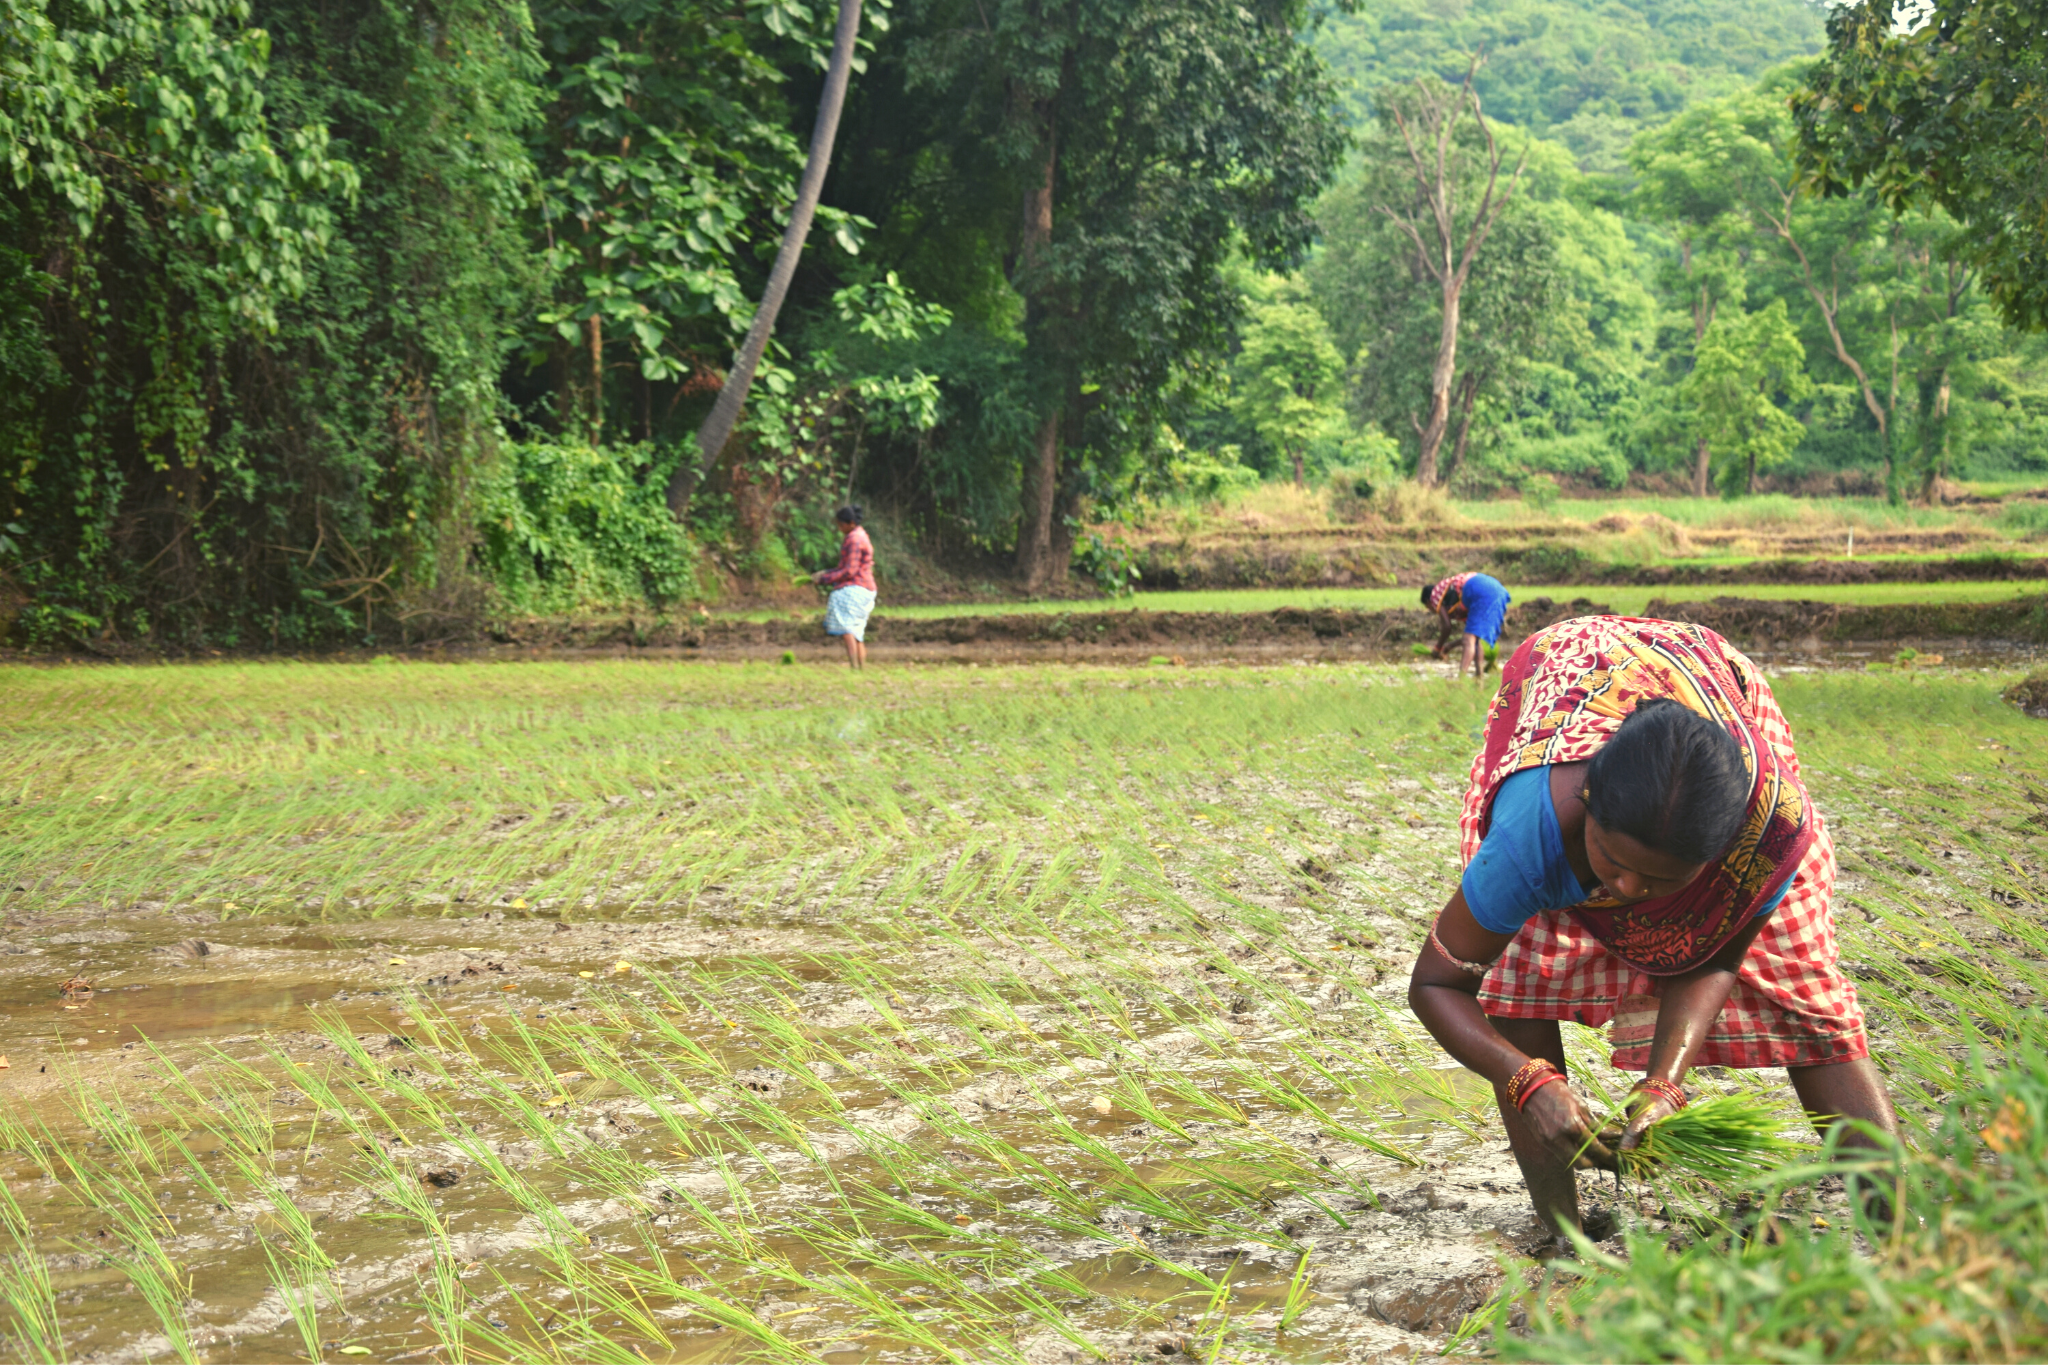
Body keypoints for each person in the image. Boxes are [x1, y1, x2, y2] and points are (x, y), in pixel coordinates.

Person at [1407, 614, 1898, 1248]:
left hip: (1710, 688)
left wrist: (1666, 1081)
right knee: (1521, 984)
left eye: (1662, 881)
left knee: (1812, 1011)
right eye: (1613, 863)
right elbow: (1437, 984)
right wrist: (1526, 1079)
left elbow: (1713, 954)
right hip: (1561, 683)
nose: (1630, 893)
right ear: (1587, 809)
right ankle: (1563, 1239)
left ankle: (1901, 1239)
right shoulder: (1532, 833)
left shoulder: (1766, 831)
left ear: (1721, 852)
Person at [812, 505, 876, 669]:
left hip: (855, 587)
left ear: (851, 523)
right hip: (867, 588)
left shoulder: (854, 539)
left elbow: (850, 571)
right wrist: (826, 572)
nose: (839, 528)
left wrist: (825, 579)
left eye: (841, 525)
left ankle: (854, 665)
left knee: (847, 628)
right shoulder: (861, 534)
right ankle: (861, 667)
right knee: (857, 632)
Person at [1424, 572, 1511, 679]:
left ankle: (1461, 681)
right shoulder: (1458, 603)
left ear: (1428, 602)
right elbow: (1472, 639)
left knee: (1468, 639)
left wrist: (1438, 648)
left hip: (1477, 587)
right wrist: (1449, 647)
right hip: (1498, 590)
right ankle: (1480, 678)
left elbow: (1447, 626)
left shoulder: (1435, 595)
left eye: (1429, 608)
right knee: (1474, 640)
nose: (1433, 610)